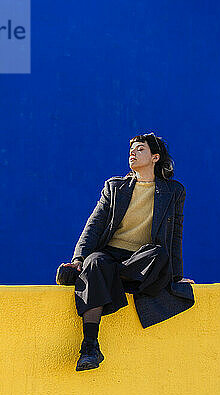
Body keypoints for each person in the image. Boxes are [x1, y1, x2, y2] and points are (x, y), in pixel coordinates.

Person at [56, 132, 195, 371]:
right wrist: (78, 260)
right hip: (110, 255)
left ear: (155, 157)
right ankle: (89, 346)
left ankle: (100, 277)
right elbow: (94, 225)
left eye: (140, 149)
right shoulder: (115, 187)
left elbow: (176, 236)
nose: (133, 153)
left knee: (159, 255)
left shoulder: (173, 191)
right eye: (131, 149)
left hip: (140, 261)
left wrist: (176, 276)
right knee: (95, 262)